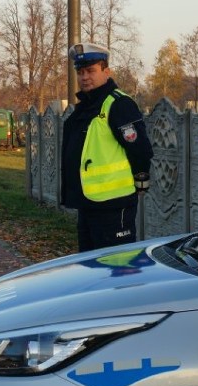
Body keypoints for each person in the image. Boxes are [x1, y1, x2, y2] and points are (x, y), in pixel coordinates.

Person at [60, 42, 153, 252]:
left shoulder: (118, 104)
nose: (85, 77)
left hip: (114, 206)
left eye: (91, 71)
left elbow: (140, 150)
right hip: (89, 203)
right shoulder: (86, 107)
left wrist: (141, 183)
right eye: (80, 72)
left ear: (106, 71)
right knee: (91, 271)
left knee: (118, 270)